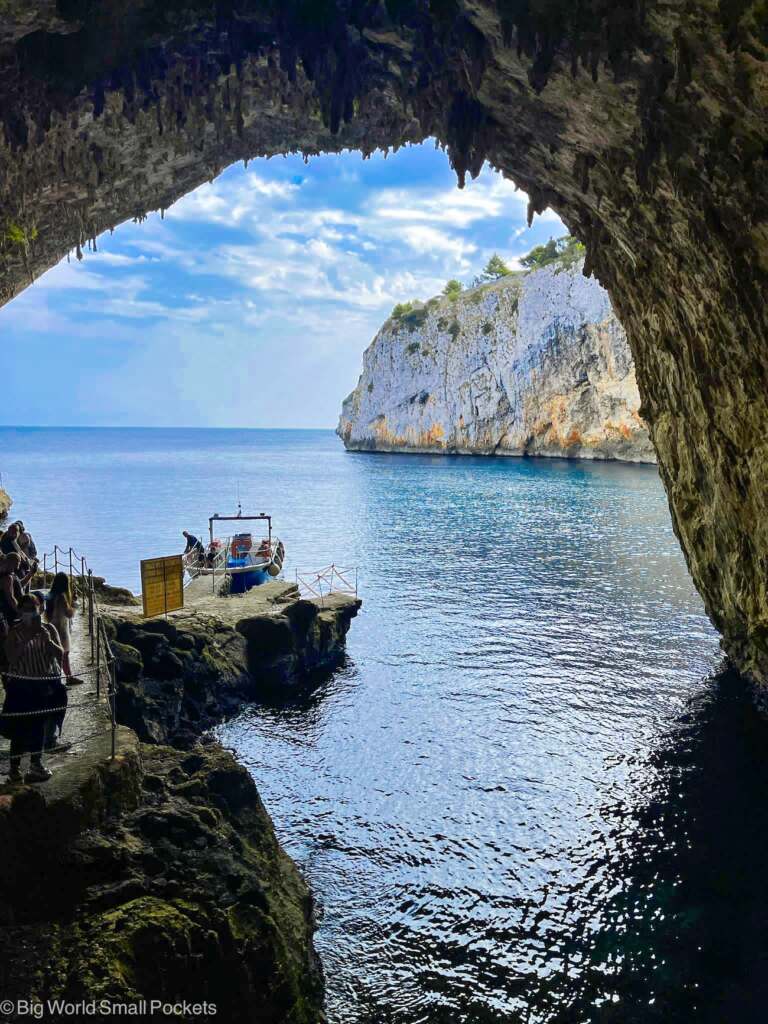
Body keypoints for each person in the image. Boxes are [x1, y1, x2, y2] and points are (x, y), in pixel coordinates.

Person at [1, 594, 68, 784]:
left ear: (40, 608)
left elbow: (59, 654)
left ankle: (36, 764)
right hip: (21, 686)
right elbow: (12, 658)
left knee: (39, 727)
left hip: (43, 685)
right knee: (19, 729)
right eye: (27, 608)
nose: (31, 612)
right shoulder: (14, 632)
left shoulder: (48, 629)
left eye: (34, 607)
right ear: (21, 611)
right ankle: (14, 769)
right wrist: (27, 638)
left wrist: (48, 640)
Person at [45, 572, 83, 686]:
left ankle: (66, 677)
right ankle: (63, 679)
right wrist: (75, 603)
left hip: (52, 625)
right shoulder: (62, 596)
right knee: (64, 654)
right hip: (61, 628)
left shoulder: (50, 595)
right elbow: (69, 614)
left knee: (55, 654)